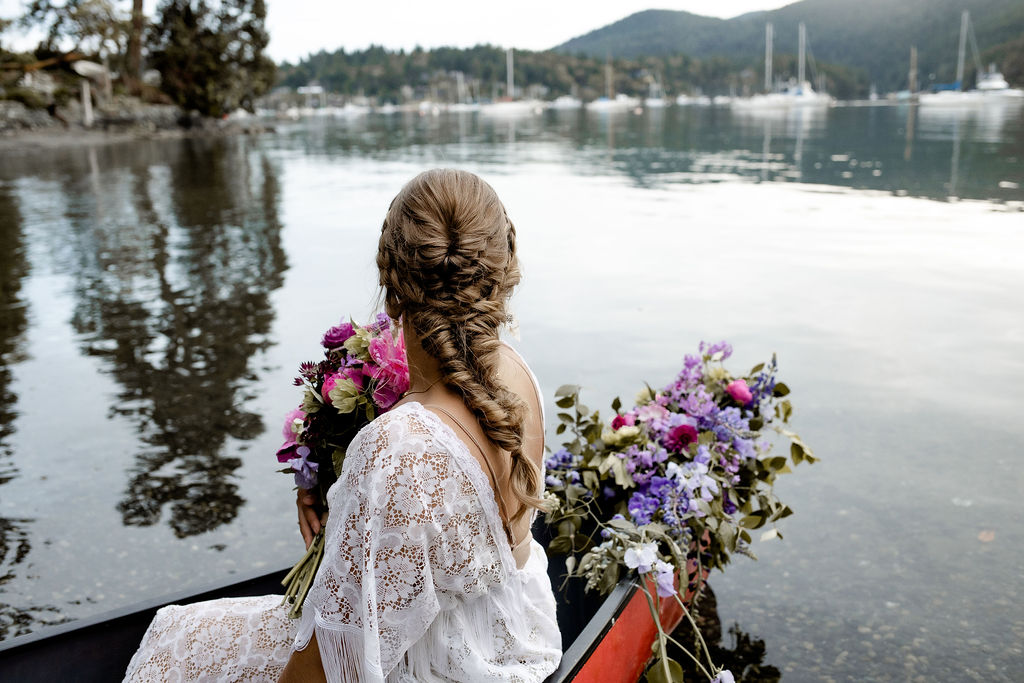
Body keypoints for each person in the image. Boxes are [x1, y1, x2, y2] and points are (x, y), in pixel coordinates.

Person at [123, 168, 562, 682]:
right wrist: (344, 500)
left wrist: (356, 511)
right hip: (513, 636)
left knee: (173, 643)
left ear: (389, 283)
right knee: (190, 633)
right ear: (501, 270)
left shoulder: (399, 449)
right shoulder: (515, 372)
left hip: (450, 662)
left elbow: (330, 670)